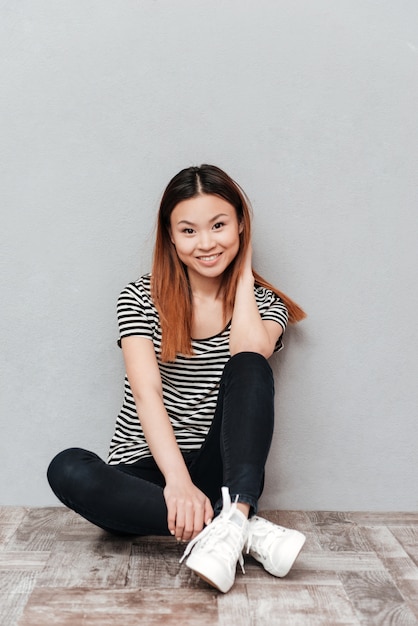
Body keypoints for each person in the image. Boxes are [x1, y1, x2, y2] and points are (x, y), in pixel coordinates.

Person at [47, 164, 307, 594]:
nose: (206, 243)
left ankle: (235, 512)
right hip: (148, 475)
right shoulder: (137, 298)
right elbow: (146, 394)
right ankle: (243, 528)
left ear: (242, 225)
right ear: (170, 236)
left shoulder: (265, 305)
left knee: (248, 364)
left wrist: (242, 273)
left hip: (218, 472)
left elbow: (249, 352)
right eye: (188, 230)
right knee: (68, 468)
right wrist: (178, 484)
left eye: (219, 225)